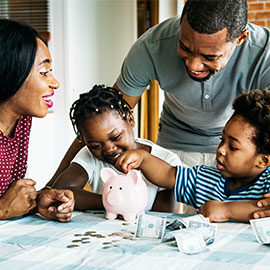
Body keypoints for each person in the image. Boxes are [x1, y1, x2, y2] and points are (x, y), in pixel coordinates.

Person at [47, 0, 270, 216]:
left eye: (209, 57)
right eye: (185, 47)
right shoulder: (152, 46)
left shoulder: (265, 54)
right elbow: (103, 118)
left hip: (242, 151)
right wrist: (52, 186)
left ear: (241, 38)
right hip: (176, 147)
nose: (193, 65)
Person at [116, 89, 270, 223]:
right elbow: (168, 174)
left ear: (263, 160)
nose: (221, 149)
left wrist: (226, 210)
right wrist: (143, 158)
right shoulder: (206, 179)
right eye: (222, 140)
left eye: (233, 147)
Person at [49, 85, 181, 213]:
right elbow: (59, 191)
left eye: (116, 137)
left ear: (130, 119)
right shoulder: (90, 156)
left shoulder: (167, 161)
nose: (109, 149)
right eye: (96, 145)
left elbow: (164, 216)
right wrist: (110, 201)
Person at [0, 19, 74, 221]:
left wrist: (37, 200)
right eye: (44, 73)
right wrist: (1, 210)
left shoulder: (21, 121)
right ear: (11, 72)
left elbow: (8, 198)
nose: (55, 83)